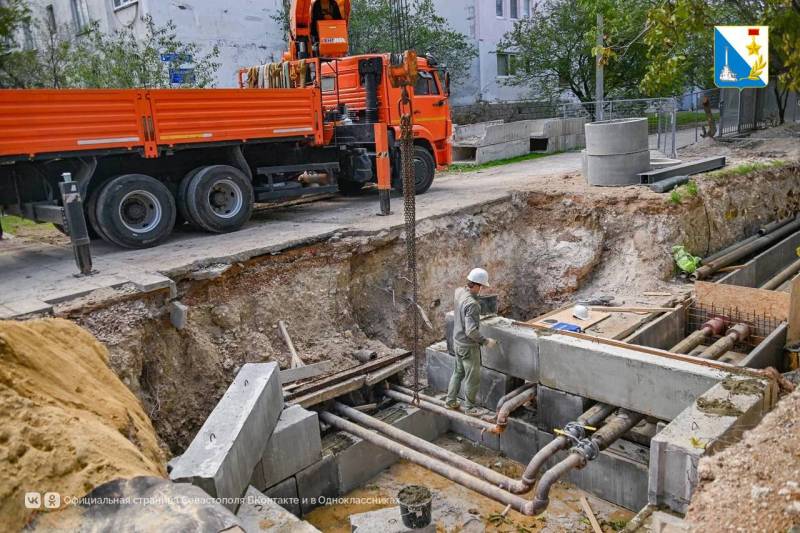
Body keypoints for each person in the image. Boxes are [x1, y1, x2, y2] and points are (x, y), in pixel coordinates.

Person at [445, 268, 497, 415]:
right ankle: (469, 408)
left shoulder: (459, 291)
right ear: (476, 285)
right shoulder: (473, 305)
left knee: (458, 372)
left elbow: (463, 309)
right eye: (481, 287)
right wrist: (486, 341)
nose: (482, 290)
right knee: (472, 378)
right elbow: (471, 331)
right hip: (468, 346)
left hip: (457, 341)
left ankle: (450, 401)